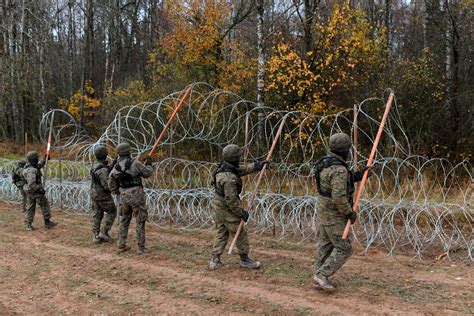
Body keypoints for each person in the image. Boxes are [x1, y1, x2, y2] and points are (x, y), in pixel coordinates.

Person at [312, 132, 370, 292]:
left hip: (323, 210)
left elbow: (332, 185)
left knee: (325, 245)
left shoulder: (325, 163)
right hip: (334, 213)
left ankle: (317, 276)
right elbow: (338, 196)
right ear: (345, 150)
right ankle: (322, 274)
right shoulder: (339, 169)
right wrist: (349, 212)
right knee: (345, 247)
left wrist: (358, 175)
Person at [209, 144, 269, 270]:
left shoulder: (224, 167)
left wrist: (257, 166)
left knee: (222, 231)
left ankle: (215, 259)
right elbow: (231, 200)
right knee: (239, 231)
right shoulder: (229, 179)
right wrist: (241, 213)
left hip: (218, 204)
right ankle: (244, 259)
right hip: (226, 207)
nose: (239, 159)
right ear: (234, 158)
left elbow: (240, 170)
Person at [109, 143, 153, 254]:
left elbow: (111, 183)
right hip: (136, 195)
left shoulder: (116, 167)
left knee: (125, 219)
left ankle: (121, 244)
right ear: (129, 151)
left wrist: (116, 191)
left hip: (124, 195)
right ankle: (141, 247)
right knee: (140, 219)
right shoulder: (135, 163)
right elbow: (147, 173)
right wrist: (149, 165)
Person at [22, 151, 57, 231]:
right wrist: (40, 189)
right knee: (44, 205)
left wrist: (45, 159)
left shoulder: (29, 166)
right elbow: (31, 184)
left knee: (30, 207)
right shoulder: (32, 170)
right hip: (35, 191)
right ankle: (47, 222)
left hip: (30, 192)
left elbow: (39, 166)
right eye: (37, 158)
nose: (38, 159)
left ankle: (28, 224)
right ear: (34, 159)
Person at [90, 146, 117, 243]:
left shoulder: (95, 165)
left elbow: (104, 170)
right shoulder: (103, 170)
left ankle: (96, 236)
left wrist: (112, 165)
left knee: (97, 214)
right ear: (106, 155)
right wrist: (116, 189)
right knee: (112, 211)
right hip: (102, 195)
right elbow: (106, 185)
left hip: (94, 193)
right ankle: (104, 232)